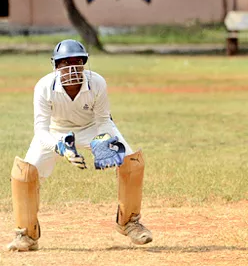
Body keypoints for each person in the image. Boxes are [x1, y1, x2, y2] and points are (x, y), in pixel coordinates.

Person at [7, 39, 152, 252]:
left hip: (92, 127)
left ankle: (129, 223)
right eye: (65, 63)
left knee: (133, 163)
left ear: (85, 63)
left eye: (77, 61)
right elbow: (41, 130)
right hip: (56, 131)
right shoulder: (44, 87)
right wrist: (60, 147)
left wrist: (103, 141)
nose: (72, 68)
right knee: (24, 173)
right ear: (56, 66)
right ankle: (26, 235)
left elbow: (104, 119)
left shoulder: (97, 82)